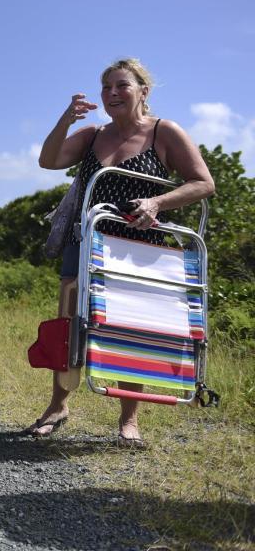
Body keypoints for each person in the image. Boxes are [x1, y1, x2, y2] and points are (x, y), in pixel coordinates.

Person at [27, 58, 215, 446]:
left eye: (121, 86)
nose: (112, 93)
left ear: (143, 91)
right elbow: (49, 160)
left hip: (139, 247)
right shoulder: (94, 134)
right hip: (87, 243)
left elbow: (203, 183)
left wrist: (157, 203)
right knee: (71, 323)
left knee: (131, 330)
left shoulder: (165, 132)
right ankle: (58, 405)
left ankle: (129, 420)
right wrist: (66, 119)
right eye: (106, 87)